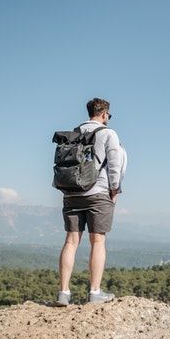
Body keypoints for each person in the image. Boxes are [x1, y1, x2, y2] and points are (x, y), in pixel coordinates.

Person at [56, 98, 127, 305]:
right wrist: (115, 190)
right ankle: (95, 292)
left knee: (70, 241)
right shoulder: (108, 133)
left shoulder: (74, 133)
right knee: (98, 241)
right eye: (109, 116)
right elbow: (114, 165)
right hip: (98, 193)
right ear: (104, 114)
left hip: (71, 192)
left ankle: (64, 292)